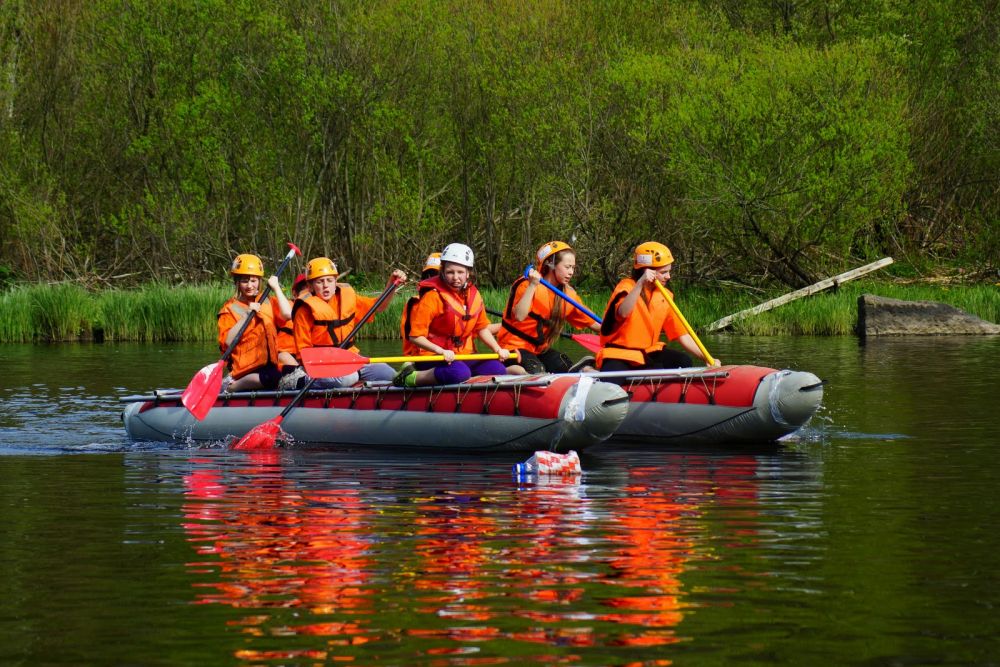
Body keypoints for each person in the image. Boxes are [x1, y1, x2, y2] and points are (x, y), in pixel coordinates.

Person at [596, 241, 720, 383]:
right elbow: (622, 313)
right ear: (647, 271)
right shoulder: (626, 287)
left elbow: (683, 335)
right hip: (620, 354)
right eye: (663, 272)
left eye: (669, 272)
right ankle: (591, 371)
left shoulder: (665, 296)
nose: (668, 277)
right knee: (611, 381)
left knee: (683, 361)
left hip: (647, 354)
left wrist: (707, 358)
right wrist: (640, 283)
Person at [394, 243, 510, 387]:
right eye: (450, 272)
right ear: (442, 272)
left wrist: (497, 348)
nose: (455, 277)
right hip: (432, 355)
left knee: (497, 369)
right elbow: (415, 336)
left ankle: (470, 389)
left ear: (468, 273)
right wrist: (440, 350)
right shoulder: (432, 297)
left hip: (462, 355)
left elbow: (481, 329)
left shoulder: (474, 295)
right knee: (458, 372)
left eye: (460, 272)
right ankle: (410, 378)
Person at [293, 257, 407, 388]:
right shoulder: (304, 310)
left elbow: (379, 306)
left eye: (329, 280)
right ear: (310, 286)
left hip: (351, 360)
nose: (325, 286)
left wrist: (392, 285)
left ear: (335, 282)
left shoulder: (347, 298)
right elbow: (303, 352)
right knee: (347, 378)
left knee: (390, 374)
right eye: (319, 282)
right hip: (322, 365)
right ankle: (300, 381)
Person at [498, 241, 600, 374]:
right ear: (551, 264)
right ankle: (506, 372)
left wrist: (618, 330)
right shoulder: (526, 285)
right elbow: (519, 316)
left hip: (539, 350)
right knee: (536, 369)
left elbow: (594, 323)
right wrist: (532, 285)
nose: (571, 272)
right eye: (567, 267)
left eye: (573, 268)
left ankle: (583, 371)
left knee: (563, 364)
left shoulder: (568, 295)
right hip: (513, 347)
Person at [217, 253, 293, 392]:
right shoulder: (229, 309)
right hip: (244, 370)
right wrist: (247, 314)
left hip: (268, 366)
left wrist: (276, 288)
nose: (249, 286)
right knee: (274, 377)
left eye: (253, 281)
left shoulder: (268, 301)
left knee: (294, 373)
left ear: (259, 281)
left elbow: (288, 314)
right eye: (245, 281)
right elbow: (227, 341)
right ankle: (230, 386)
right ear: (237, 282)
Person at [400, 253, 442, 357]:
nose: (431, 278)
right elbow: (410, 336)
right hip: (423, 356)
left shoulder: (460, 301)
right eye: (429, 274)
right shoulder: (414, 303)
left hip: (450, 354)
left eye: (436, 274)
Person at [275, 273, 310, 389]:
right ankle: (302, 377)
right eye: (305, 291)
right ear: (295, 294)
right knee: (283, 356)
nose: (308, 296)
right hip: (285, 356)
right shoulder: (287, 306)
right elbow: (287, 313)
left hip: (307, 357)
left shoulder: (319, 310)